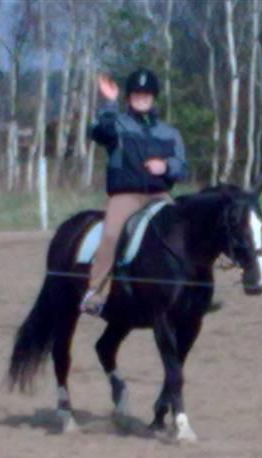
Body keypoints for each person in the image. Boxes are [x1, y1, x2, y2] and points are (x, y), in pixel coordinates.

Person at [80, 68, 188, 315]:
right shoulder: (117, 125)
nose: (142, 98)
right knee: (110, 236)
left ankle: (191, 291)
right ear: (129, 97)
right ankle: (96, 291)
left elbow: (182, 168)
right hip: (126, 195)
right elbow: (98, 132)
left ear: (154, 98)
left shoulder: (170, 133)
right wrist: (109, 102)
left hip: (159, 194)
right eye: (137, 94)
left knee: (184, 232)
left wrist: (166, 166)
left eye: (147, 94)